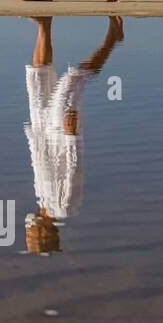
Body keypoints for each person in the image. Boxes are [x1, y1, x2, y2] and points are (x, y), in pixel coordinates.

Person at [22, 15, 123, 253]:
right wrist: (72, 136)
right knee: (71, 81)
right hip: (60, 133)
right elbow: (74, 170)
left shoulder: (43, 202)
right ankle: (112, 40)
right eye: (30, 238)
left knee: (37, 76)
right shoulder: (65, 208)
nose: (26, 233)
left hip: (40, 133)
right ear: (44, 234)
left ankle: (43, 25)